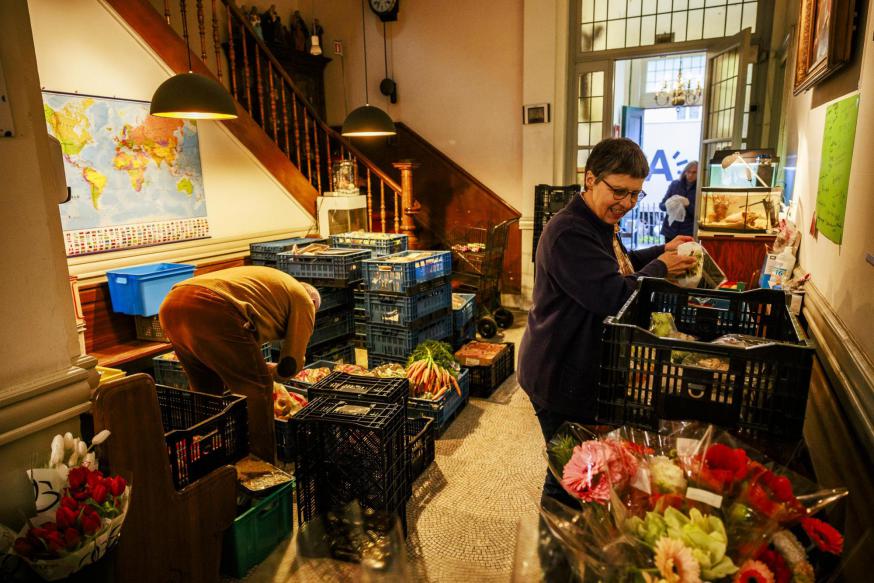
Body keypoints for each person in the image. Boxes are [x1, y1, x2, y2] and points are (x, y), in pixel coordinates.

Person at [517, 138, 696, 504]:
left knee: (588, 470)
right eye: (619, 191)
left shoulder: (597, 222)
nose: (626, 203)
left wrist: (661, 251)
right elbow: (613, 295)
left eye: (635, 194)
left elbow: (619, 265)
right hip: (559, 372)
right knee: (571, 478)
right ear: (590, 179)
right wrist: (662, 267)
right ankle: (554, 540)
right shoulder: (569, 231)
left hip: (578, 365)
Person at [159, 266, 321, 461]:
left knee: (206, 390)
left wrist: (259, 367)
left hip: (172, 304)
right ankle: (260, 466)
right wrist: (273, 373)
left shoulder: (274, 289)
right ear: (313, 303)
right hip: (213, 306)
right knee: (258, 389)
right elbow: (290, 365)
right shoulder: (304, 301)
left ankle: (205, 453)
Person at [659, 161, 698, 240]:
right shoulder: (675, 185)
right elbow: (661, 206)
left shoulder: (699, 188)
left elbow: (698, 215)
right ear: (685, 172)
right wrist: (670, 204)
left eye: (694, 172)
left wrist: (688, 205)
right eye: (688, 172)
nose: (690, 175)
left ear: (699, 173)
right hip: (670, 231)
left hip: (687, 232)